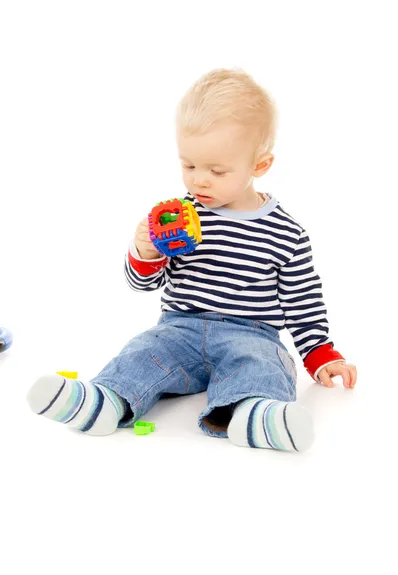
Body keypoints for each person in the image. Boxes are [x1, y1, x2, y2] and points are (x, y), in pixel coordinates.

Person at [27, 68, 357, 451]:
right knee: (143, 352)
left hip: (250, 333)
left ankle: (255, 414)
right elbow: (142, 284)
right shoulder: (178, 216)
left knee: (262, 364)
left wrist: (321, 353)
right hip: (178, 328)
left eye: (217, 171)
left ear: (259, 166)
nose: (199, 181)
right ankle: (105, 400)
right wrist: (146, 253)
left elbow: (303, 300)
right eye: (189, 165)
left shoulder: (287, 232)